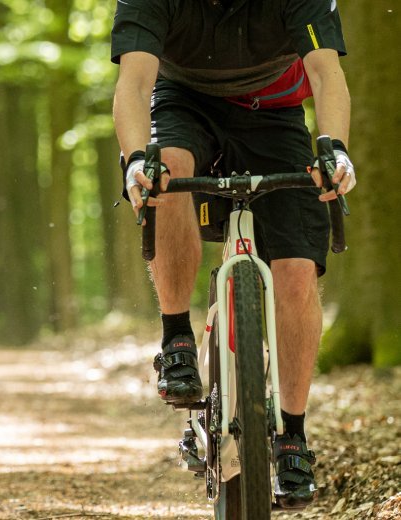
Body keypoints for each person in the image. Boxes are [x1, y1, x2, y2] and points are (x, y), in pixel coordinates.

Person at [111, 0, 356, 509]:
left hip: (275, 111)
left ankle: (292, 434)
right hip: (183, 100)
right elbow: (134, 83)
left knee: (295, 274)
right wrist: (137, 160)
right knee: (168, 167)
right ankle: (177, 337)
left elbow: (326, 72)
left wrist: (335, 148)